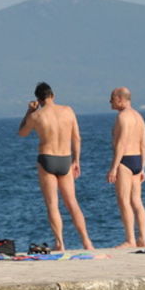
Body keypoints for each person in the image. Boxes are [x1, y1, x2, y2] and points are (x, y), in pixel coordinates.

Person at [18, 82, 95, 251]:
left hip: (47, 158)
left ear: (38, 99)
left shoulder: (36, 116)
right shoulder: (68, 111)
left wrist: (29, 111)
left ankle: (60, 243)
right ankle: (86, 241)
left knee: (52, 204)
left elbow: (22, 132)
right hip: (65, 158)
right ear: (52, 95)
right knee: (72, 203)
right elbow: (77, 138)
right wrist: (77, 161)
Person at [107, 87, 145, 248]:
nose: (110, 102)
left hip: (125, 160)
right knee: (137, 201)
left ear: (119, 99)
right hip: (137, 160)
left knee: (124, 200)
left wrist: (114, 167)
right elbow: (144, 144)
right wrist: (143, 167)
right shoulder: (139, 117)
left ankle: (130, 239)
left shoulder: (122, 117)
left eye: (112, 99)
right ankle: (142, 238)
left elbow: (121, 144)